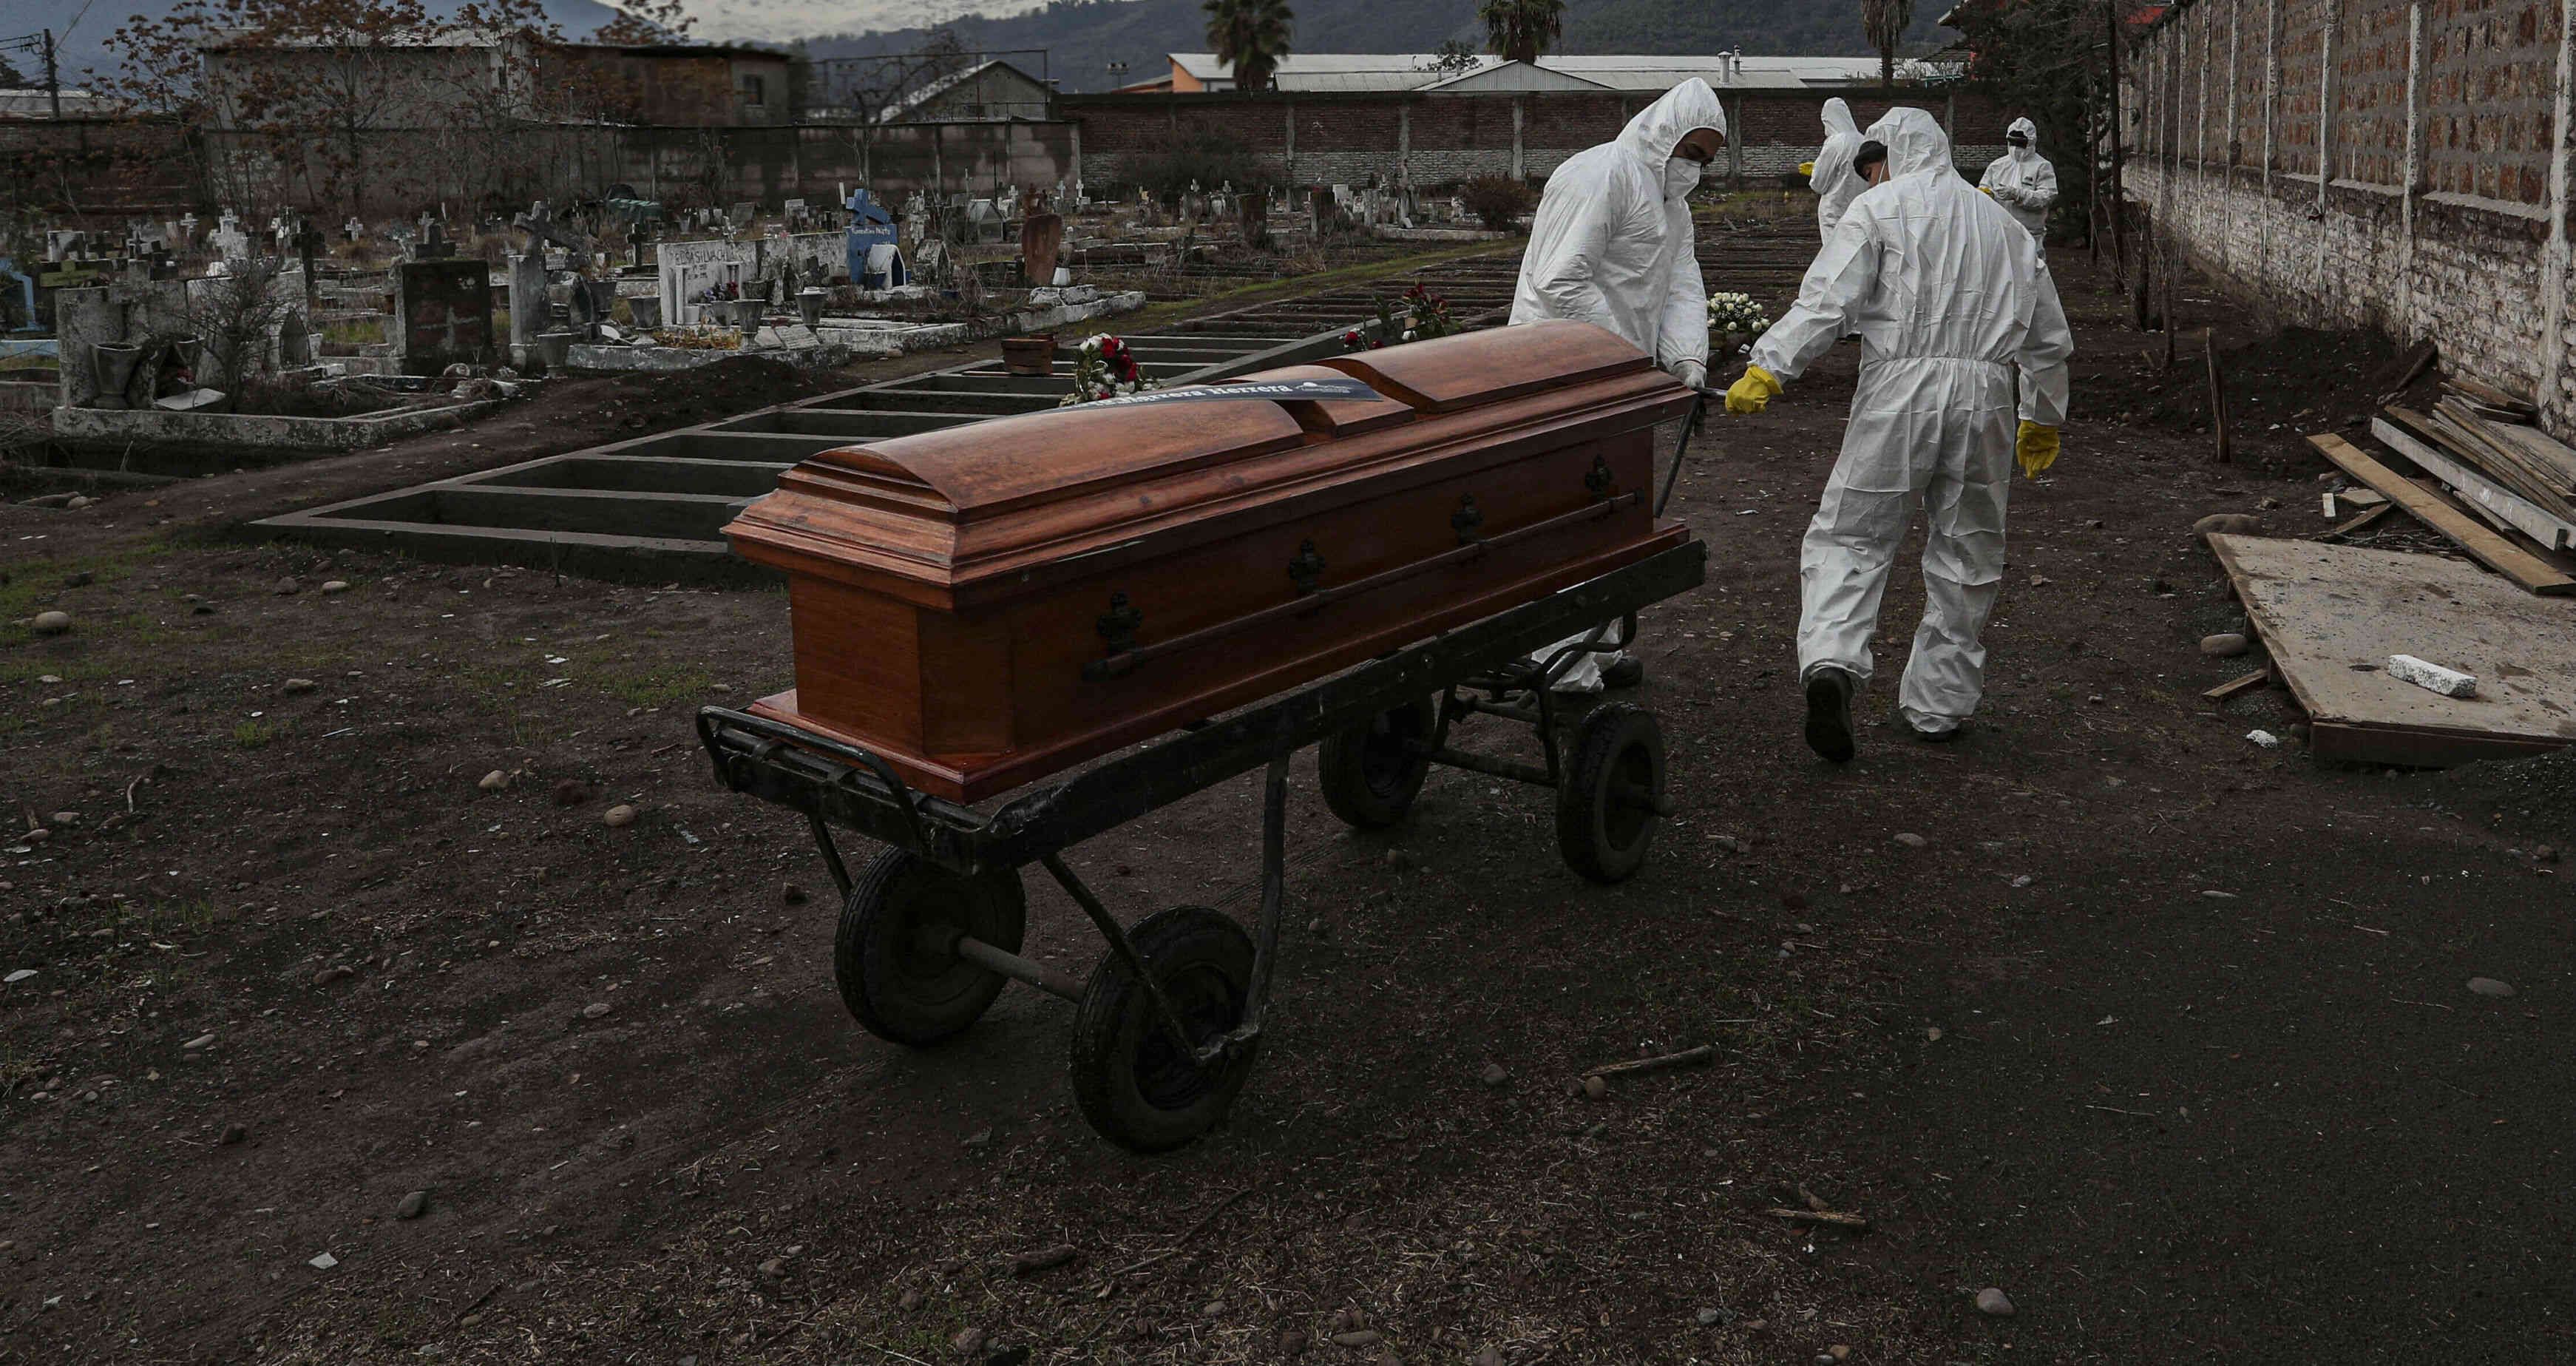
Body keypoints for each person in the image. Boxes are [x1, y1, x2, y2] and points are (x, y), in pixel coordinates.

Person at [1720, 108, 2073, 760]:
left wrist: (1768, 367)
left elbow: (1827, 301)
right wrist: (2041, 416)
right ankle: (1939, 706)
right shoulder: (2005, 224)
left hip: (1897, 391)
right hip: (1986, 396)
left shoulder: (1879, 209)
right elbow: (2048, 339)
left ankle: (1832, 660)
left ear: (1891, 153)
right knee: (1968, 551)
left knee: (1854, 529)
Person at [1510, 78, 1728, 691]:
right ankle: (1560, 662)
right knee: (1567, 518)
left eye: (1706, 161)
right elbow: (1561, 282)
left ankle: (1599, 646)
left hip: (1614, 380)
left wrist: (1687, 359)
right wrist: (1628, 357)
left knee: (1612, 514)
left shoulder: (1672, 209)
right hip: (1556, 369)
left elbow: (1682, 282)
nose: (1696, 169)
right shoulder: (1604, 174)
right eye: (1692, 152)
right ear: (1665, 134)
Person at [1978, 117, 2058, 254]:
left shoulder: (2042, 166)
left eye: (2020, 143)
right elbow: (1985, 188)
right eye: (2012, 142)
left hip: (2030, 233)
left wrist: (2017, 194)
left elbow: (2046, 197)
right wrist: (1987, 194)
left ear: (2030, 142)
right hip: (2001, 231)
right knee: (2003, 272)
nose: (2015, 147)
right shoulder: (1997, 166)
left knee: (2031, 272)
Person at [1803, 98, 1865, 243]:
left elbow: (1819, 184)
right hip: (1860, 212)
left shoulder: (1835, 142)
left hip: (1835, 211)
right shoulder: (1864, 140)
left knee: (1835, 256)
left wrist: (1814, 172)